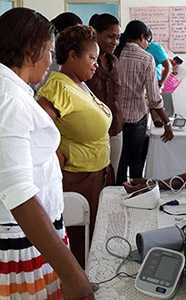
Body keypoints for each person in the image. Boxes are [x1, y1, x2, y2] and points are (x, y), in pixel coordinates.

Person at [0, 8, 94, 300]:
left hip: (33, 235)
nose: (51, 61)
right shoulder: (10, 100)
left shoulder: (14, 92)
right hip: (21, 238)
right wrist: (74, 276)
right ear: (31, 50)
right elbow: (19, 194)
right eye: (50, 52)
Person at [38, 25, 113, 268]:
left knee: (94, 241)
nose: (96, 64)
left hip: (96, 175)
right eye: (91, 57)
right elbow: (38, 134)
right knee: (79, 246)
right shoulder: (58, 86)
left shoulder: (78, 83)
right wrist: (58, 155)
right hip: (78, 179)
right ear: (72, 56)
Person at [114, 20, 174, 185]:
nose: (147, 44)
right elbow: (154, 98)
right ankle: (136, 193)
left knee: (119, 160)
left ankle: (117, 194)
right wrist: (167, 122)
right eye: (147, 40)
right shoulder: (146, 58)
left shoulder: (115, 54)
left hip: (115, 118)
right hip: (137, 119)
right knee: (136, 162)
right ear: (142, 37)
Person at [86, 13, 123, 182]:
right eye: (110, 36)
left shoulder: (114, 61)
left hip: (115, 127)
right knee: (94, 179)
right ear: (96, 34)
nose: (115, 42)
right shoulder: (85, 62)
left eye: (118, 37)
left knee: (112, 175)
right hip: (92, 131)